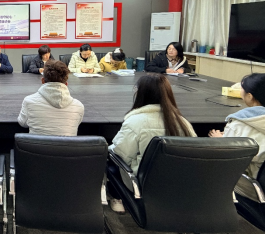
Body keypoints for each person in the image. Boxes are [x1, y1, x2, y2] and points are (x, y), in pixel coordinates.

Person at [108, 73, 196, 214]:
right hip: (178, 182)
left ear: (140, 93)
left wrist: (108, 148)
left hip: (144, 183)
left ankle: (118, 197)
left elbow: (120, 153)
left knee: (111, 159)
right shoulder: (183, 122)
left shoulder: (135, 122)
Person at [209, 74, 265, 202]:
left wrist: (221, 140)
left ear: (249, 96)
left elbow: (228, 156)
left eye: (242, 88)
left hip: (254, 186)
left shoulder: (238, 124)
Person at [18, 60, 84, 136]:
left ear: (43, 81)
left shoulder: (29, 101)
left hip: (36, 144)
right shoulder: (78, 106)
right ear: (66, 84)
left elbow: (23, 123)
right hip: (67, 144)